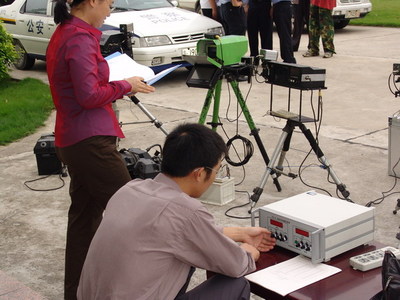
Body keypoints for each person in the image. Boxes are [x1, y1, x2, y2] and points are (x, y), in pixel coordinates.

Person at [77, 123, 276, 300]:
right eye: (218, 170)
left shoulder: (130, 189)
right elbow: (236, 264)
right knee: (235, 284)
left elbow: (176, 232)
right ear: (199, 173)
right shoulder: (186, 211)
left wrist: (240, 234)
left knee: (185, 256)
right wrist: (249, 251)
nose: (216, 175)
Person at [46, 0, 155, 299]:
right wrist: (126, 85)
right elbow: (89, 94)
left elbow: (84, 85)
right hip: (89, 141)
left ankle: (77, 293)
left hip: (74, 139)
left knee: (84, 221)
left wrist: (119, 82)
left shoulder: (68, 32)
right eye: (108, 3)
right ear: (92, 1)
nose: (110, 10)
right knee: (137, 214)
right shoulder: (78, 38)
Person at [247, 0, 273, 64]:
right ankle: (254, 58)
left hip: (266, 5)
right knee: (252, 34)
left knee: (266, 35)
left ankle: (267, 60)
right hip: (252, 4)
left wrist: (272, 5)